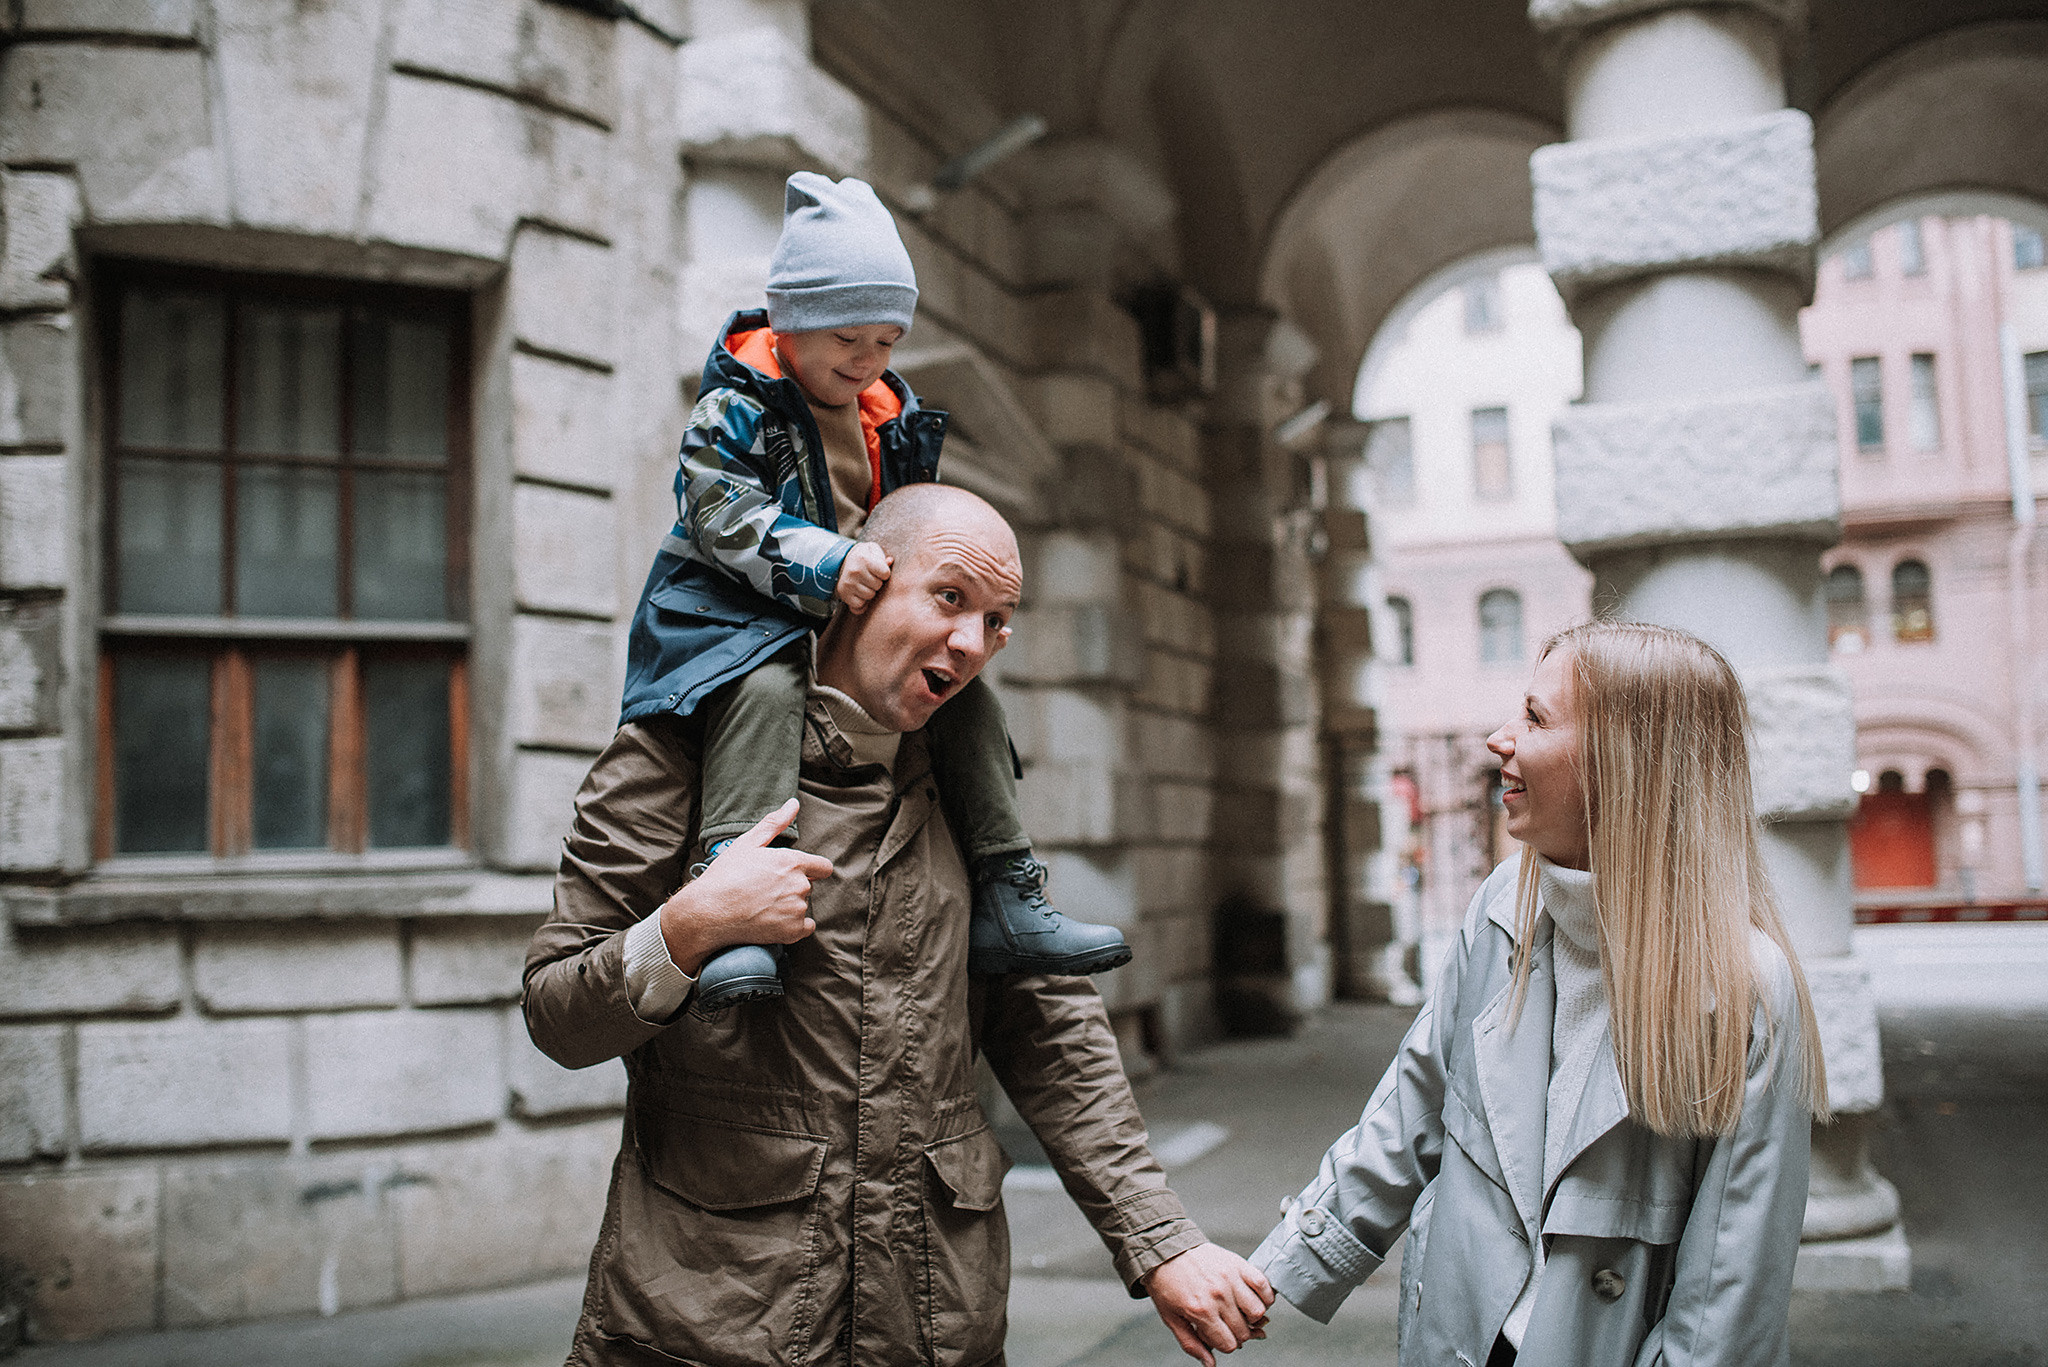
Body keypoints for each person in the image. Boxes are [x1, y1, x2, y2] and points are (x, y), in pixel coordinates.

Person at [526, 484, 1274, 1367]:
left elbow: (1049, 1029)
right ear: (860, 583)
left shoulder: (967, 781)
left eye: (997, 619)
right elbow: (557, 1013)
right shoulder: (676, 747)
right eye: (949, 596)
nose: (971, 640)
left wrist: (1161, 1241)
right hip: (708, 1323)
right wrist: (688, 927)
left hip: (933, 1325)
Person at [1249, 621, 1830, 1367]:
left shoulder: (1745, 988)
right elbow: (1409, 1112)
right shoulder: (1502, 909)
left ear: (1625, 761)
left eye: (1535, 718)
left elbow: (1728, 1300)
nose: (1500, 738)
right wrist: (1275, 1267)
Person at [618, 171, 1127, 1012]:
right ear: (787, 320)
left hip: (844, 615)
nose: (865, 360)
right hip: (732, 615)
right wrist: (822, 559)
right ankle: (732, 891)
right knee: (766, 688)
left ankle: (1006, 887)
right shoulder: (737, 408)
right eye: (847, 337)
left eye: (887, 341)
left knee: (972, 703)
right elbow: (718, 511)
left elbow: (908, 525)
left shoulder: (887, 411)